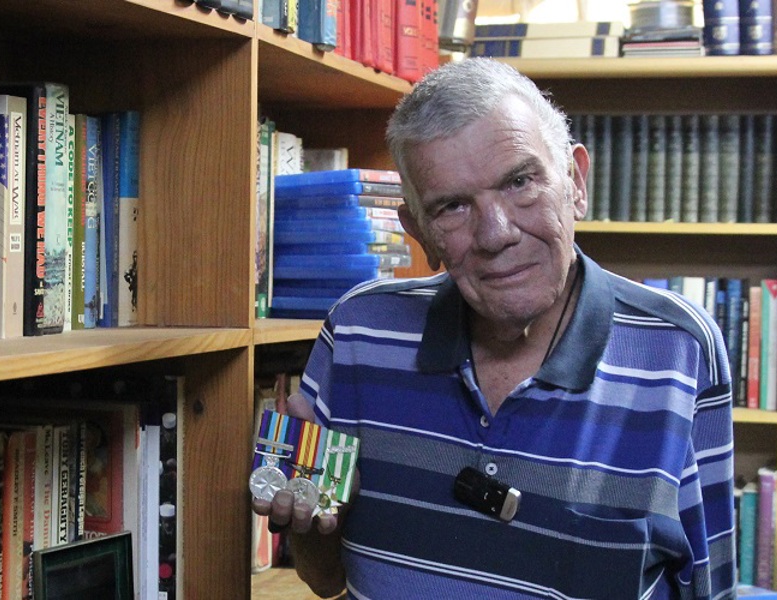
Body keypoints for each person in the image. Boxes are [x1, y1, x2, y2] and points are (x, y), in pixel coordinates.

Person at [251, 58, 737, 599]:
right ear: (418, 233)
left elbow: (707, 584)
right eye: (453, 206)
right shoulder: (358, 332)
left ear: (575, 182)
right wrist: (324, 516)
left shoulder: (677, 347)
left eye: (520, 182)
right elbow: (324, 580)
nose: (496, 233)